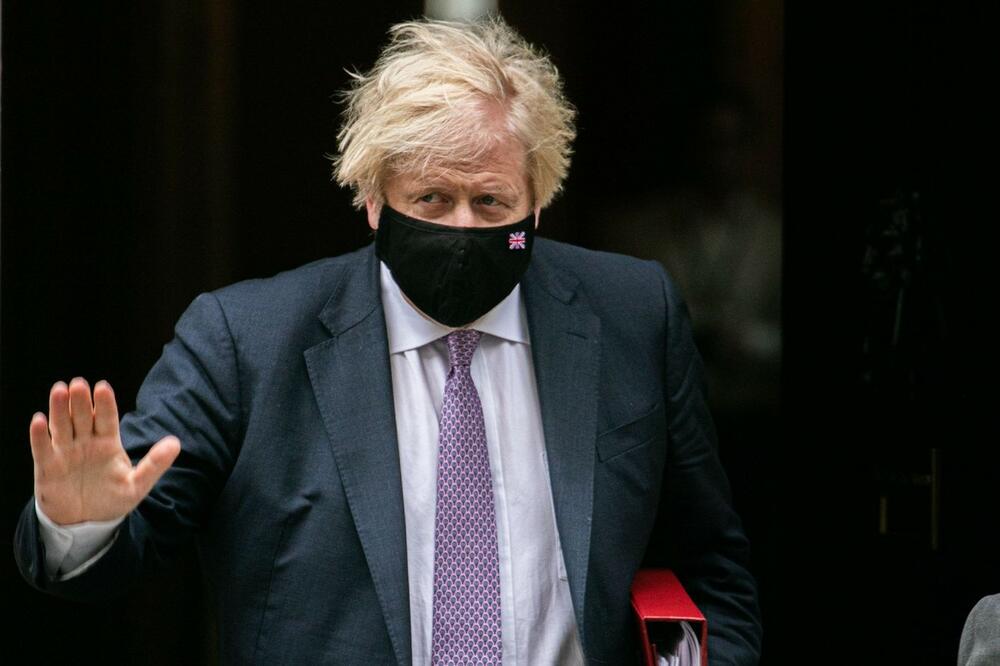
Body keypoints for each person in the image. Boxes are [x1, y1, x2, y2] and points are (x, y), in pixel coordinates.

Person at [14, 17, 762, 665]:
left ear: (538, 204)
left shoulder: (633, 315)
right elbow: (129, 546)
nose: (463, 228)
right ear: (373, 201)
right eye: (431, 198)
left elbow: (711, 563)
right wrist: (84, 523)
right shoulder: (246, 341)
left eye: (491, 201)